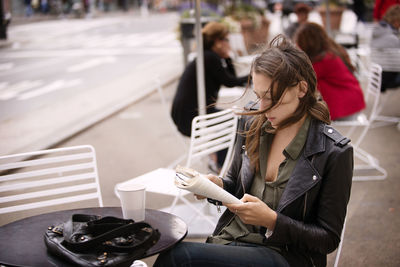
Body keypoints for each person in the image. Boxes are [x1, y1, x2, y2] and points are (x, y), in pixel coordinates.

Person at [155, 35, 353, 267]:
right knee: (168, 245)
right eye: (258, 97)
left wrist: (273, 221)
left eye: (271, 98)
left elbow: (328, 239)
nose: (261, 108)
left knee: (178, 257)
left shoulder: (332, 151)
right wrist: (214, 186)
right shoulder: (252, 125)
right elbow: (234, 184)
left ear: (301, 88)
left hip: (285, 255)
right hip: (231, 240)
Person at [171, 21, 248, 170]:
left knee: (235, 120)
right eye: (226, 39)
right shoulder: (209, 58)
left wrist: (227, 57)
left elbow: (230, 79)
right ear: (217, 41)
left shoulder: (208, 56)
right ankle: (219, 164)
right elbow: (231, 81)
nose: (228, 43)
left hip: (191, 113)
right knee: (236, 122)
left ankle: (218, 160)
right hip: (191, 118)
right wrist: (254, 76)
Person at [294, 22, 366, 121]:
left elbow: (299, 79)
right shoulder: (330, 51)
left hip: (346, 109)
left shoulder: (324, 60)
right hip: (353, 103)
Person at [371, 4, 400, 91]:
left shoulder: (379, 30)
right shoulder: (391, 37)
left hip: (375, 78)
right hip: (387, 80)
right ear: (396, 20)